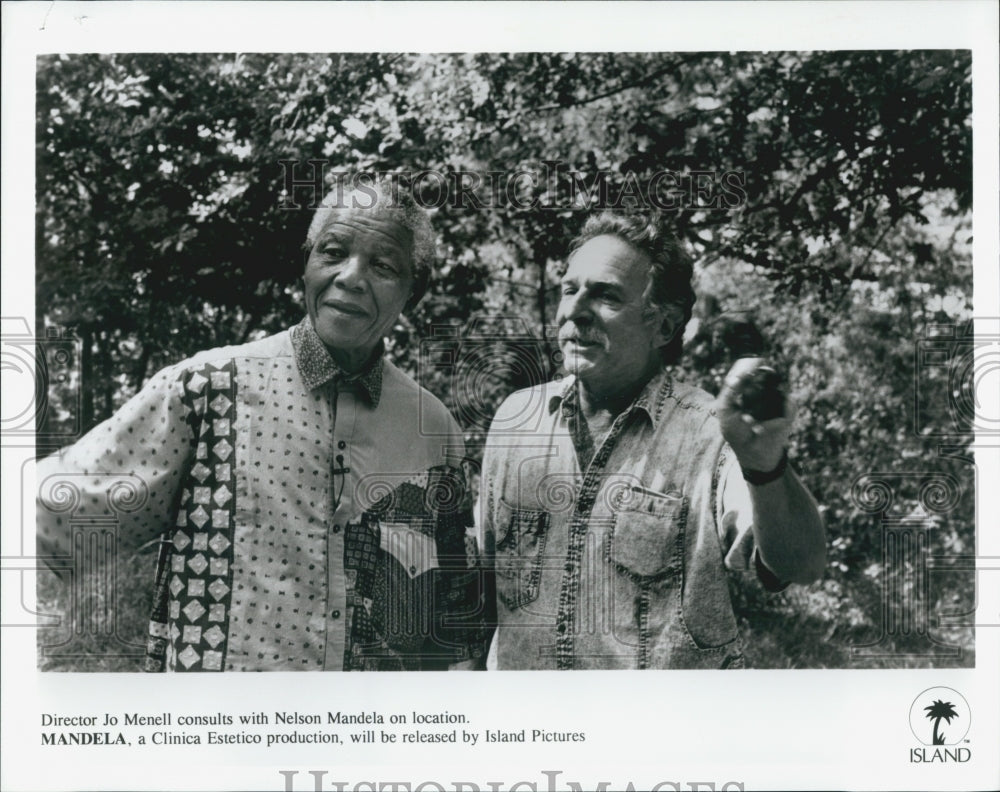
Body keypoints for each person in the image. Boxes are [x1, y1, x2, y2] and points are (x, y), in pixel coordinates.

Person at [36, 180, 490, 672]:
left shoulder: (433, 427)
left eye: (382, 266)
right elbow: (55, 511)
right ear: (307, 262)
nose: (351, 277)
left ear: (414, 291)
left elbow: (450, 606)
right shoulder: (206, 388)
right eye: (333, 252)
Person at [480, 211, 826, 669]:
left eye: (605, 296)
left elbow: (798, 566)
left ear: (662, 326)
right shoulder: (514, 419)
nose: (575, 311)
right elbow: (484, 583)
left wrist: (766, 464)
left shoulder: (711, 433)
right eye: (569, 289)